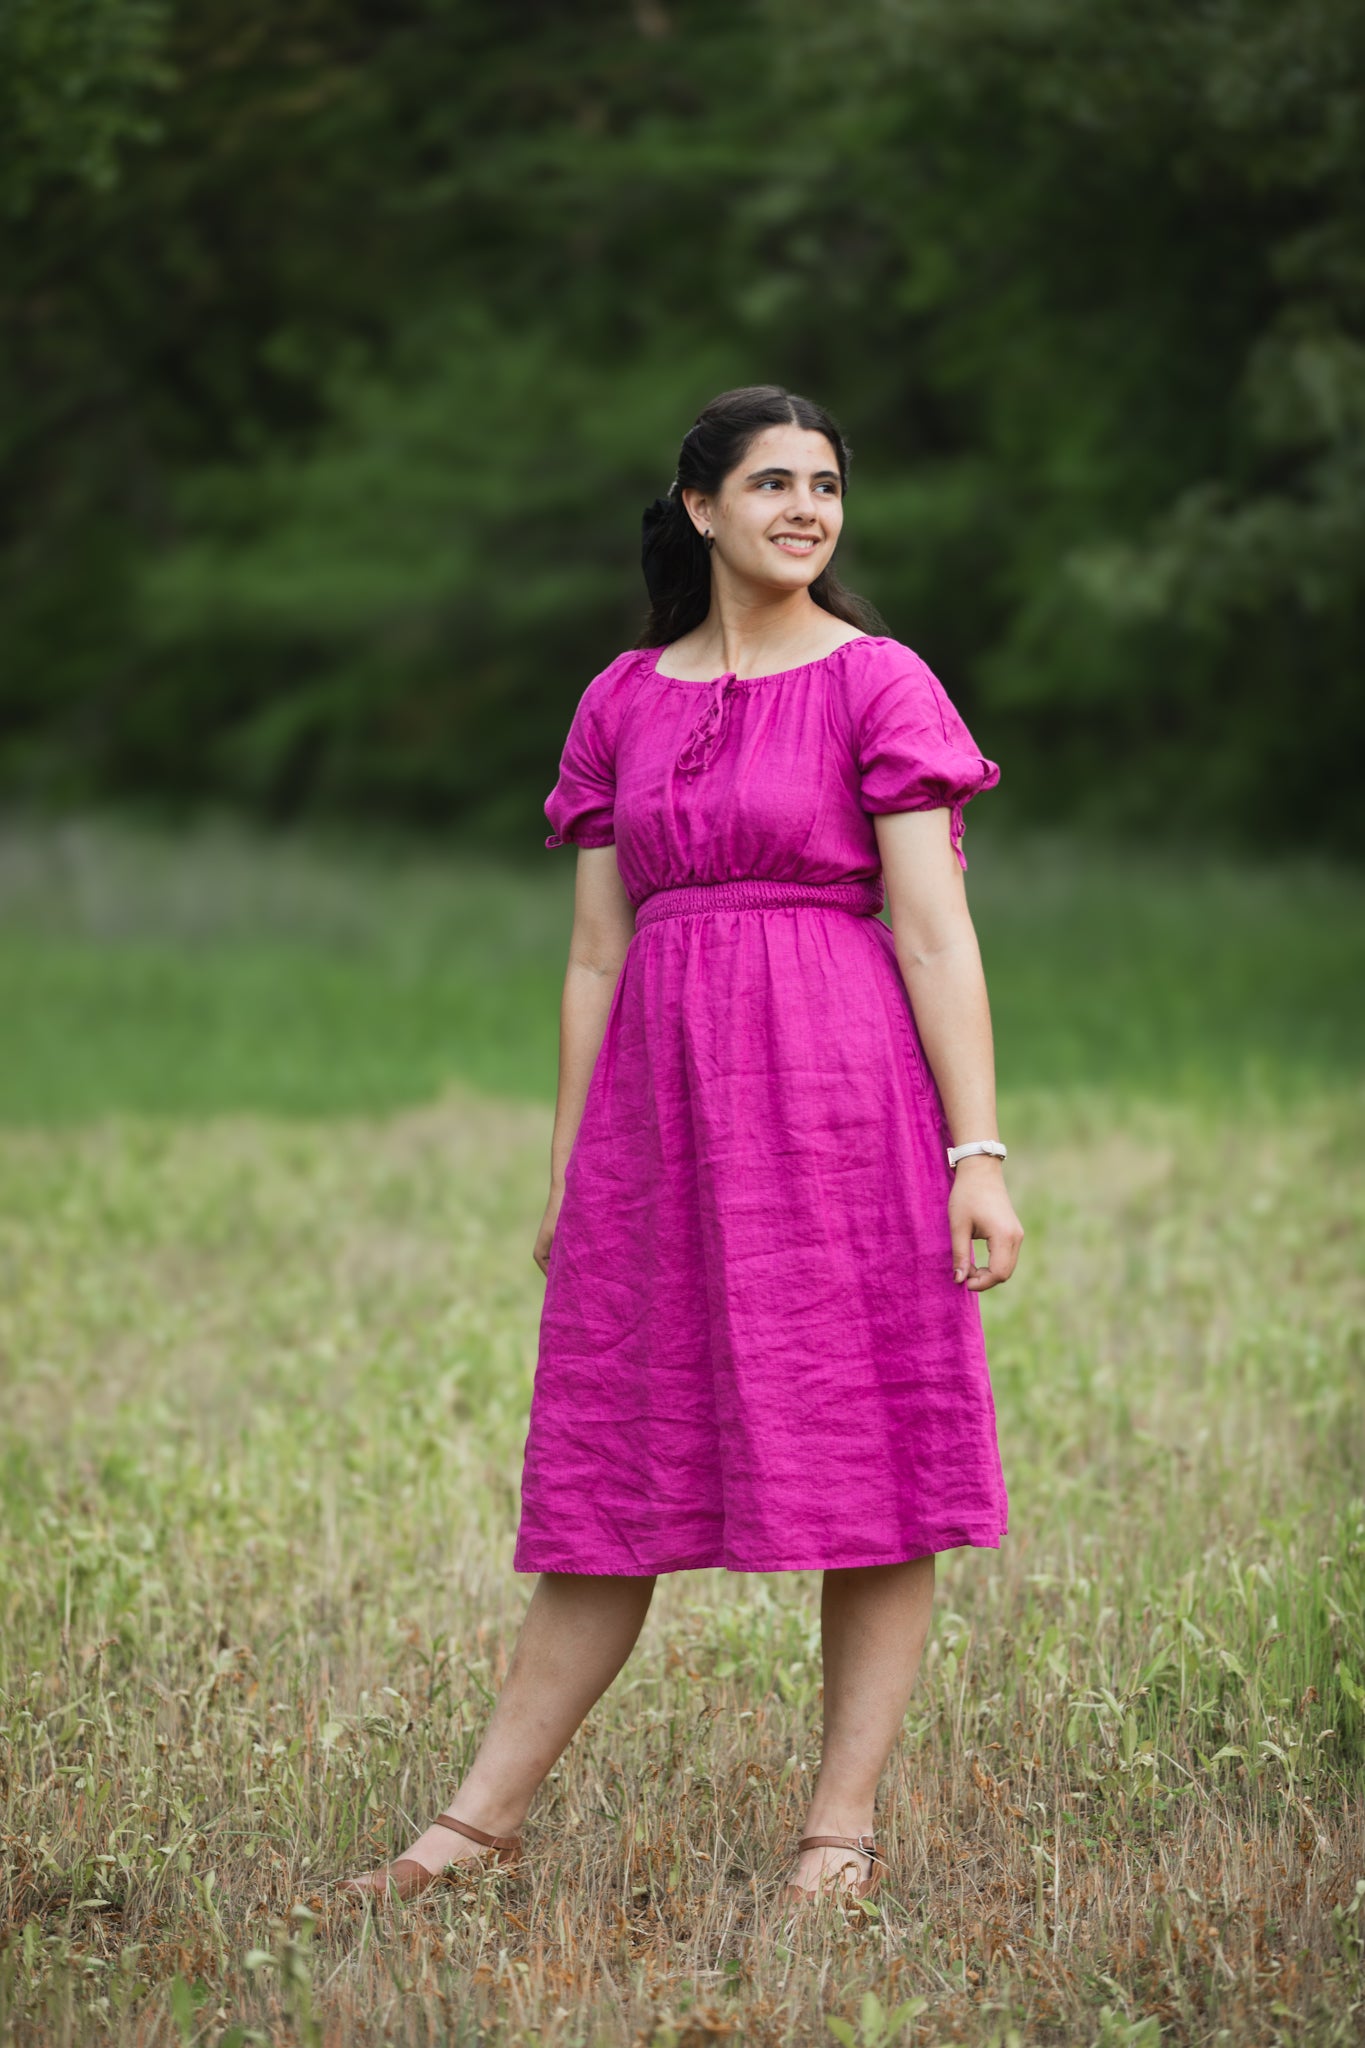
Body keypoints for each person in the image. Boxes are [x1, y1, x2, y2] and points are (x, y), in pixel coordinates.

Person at [343, 383, 1024, 1911]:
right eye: (773, 482)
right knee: (610, 1461)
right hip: (663, 1116)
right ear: (700, 507)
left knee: (874, 1455)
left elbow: (932, 931)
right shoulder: (620, 701)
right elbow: (593, 957)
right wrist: (572, 1165)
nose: (805, 509)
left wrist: (975, 1148)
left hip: (842, 1098)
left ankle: (835, 1829)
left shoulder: (880, 682)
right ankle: (472, 1827)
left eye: (827, 486)